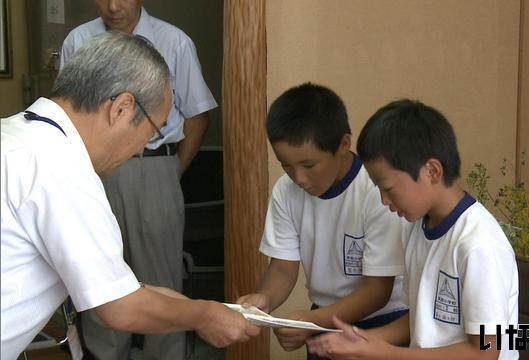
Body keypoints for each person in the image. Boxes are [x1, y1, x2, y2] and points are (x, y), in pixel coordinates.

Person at [0, 32, 260, 360]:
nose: (141, 149)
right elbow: (118, 307)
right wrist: (204, 317)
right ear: (122, 108)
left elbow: (119, 287)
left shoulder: (20, 134)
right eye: (152, 132)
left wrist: (210, 308)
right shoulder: (62, 168)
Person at [58, 1, 217, 358]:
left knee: (161, 279)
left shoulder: (174, 42)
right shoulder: (78, 40)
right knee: (98, 276)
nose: (114, 6)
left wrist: (173, 169)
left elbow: (198, 115)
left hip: (155, 169)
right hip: (93, 172)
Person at [306, 99, 519, 359]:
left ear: (432, 171)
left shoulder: (478, 244)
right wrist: (361, 341)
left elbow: (486, 352)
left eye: (389, 189)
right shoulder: (416, 227)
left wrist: (384, 353)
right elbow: (417, 320)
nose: (384, 201)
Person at [236, 83, 408, 359]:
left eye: (309, 165)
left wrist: (311, 322)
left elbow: (378, 290)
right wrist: (264, 300)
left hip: (384, 319)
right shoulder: (285, 191)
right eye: (286, 165)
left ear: (343, 144)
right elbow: (282, 267)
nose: (298, 178)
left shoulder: (376, 191)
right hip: (323, 317)